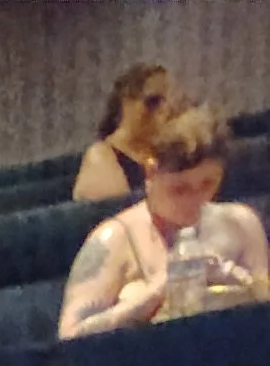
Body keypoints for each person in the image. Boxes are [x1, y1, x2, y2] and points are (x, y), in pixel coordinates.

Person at [60, 106, 270, 334]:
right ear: (151, 172)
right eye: (180, 189)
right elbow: (70, 337)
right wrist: (155, 293)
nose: (195, 200)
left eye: (208, 184)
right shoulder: (114, 239)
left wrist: (244, 285)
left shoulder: (241, 224)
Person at [77, 63, 178, 202]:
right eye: (153, 101)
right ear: (127, 103)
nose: (164, 110)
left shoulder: (166, 153)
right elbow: (119, 208)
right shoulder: (101, 156)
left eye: (169, 103)